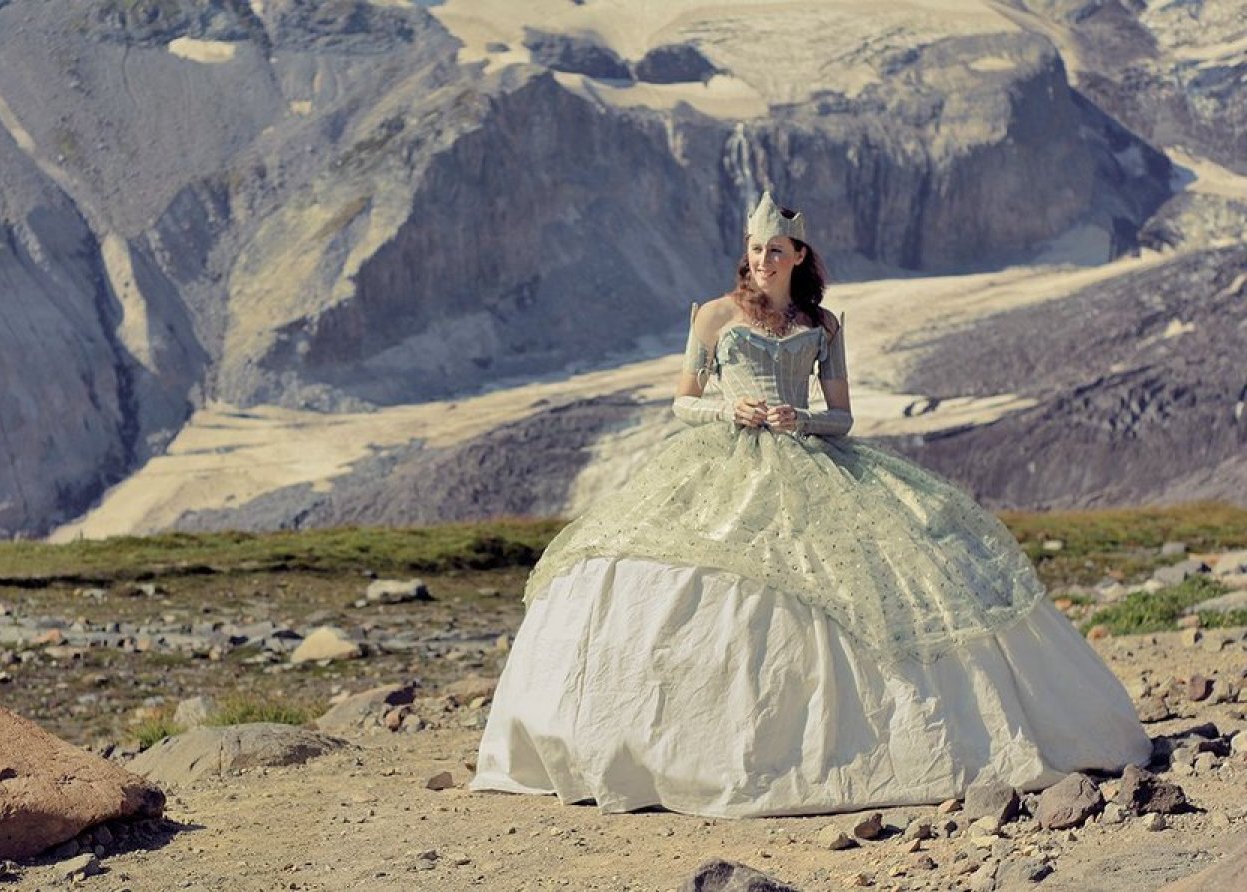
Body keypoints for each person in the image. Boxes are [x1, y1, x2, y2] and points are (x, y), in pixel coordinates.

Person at [468, 192, 1151, 818]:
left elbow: (844, 417)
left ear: (799, 255)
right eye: (754, 247)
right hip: (726, 456)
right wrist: (728, 410)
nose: (761, 260)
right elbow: (682, 402)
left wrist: (804, 421)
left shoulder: (821, 323)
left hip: (811, 457)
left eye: (774, 249)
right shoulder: (712, 316)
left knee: (875, 575)